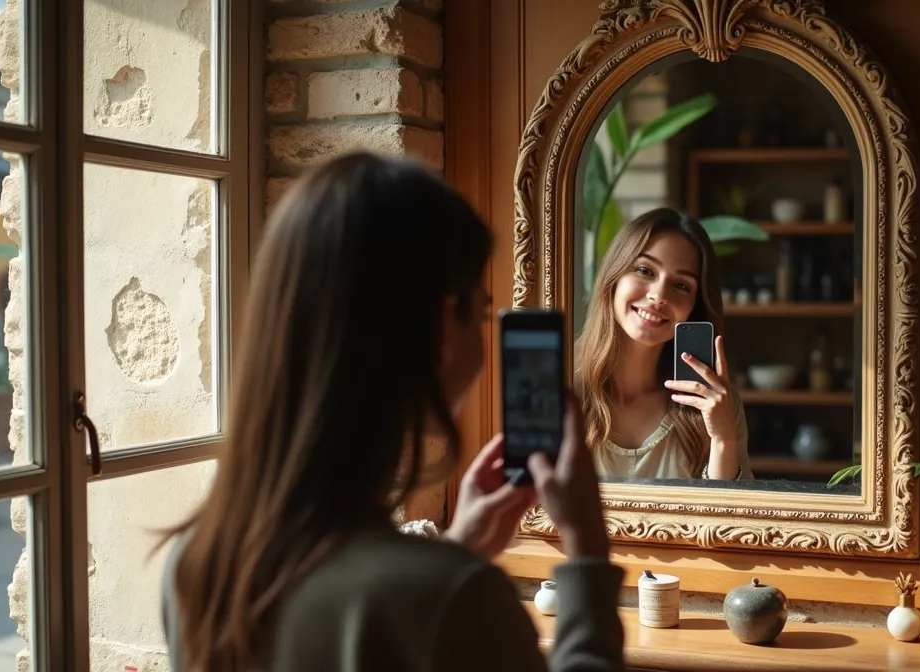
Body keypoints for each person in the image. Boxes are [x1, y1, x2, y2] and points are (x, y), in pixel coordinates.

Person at [157, 152, 624, 672]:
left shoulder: (196, 564)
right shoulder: (453, 599)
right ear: (443, 329)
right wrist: (586, 552)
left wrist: (458, 549)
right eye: (483, 311)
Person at [576, 207, 753, 481]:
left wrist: (723, 442)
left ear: (694, 308)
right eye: (645, 270)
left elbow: (730, 521)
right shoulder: (560, 385)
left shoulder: (715, 402)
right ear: (614, 277)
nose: (658, 295)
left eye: (681, 286)